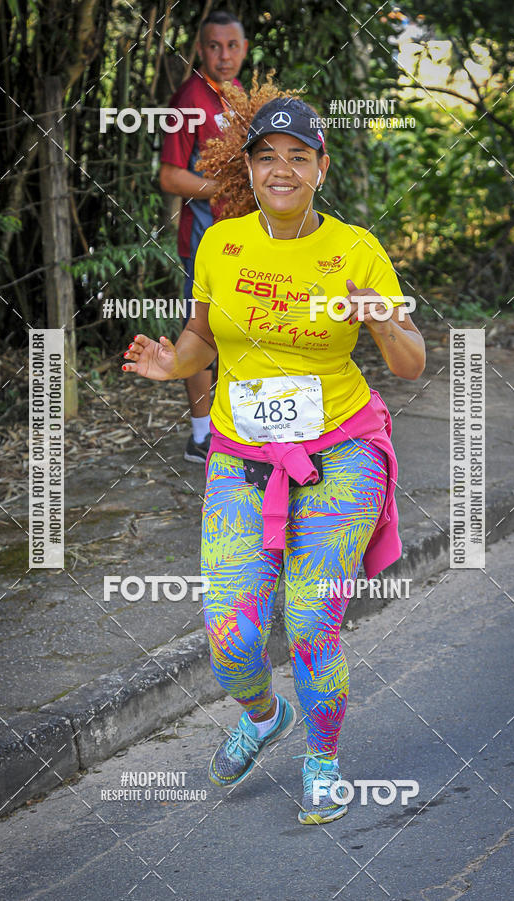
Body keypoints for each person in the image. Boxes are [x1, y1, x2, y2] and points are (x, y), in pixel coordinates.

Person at [124, 96, 426, 824]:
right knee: (232, 639)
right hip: (241, 456)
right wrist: (174, 364)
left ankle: (323, 758)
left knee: (311, 616)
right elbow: (202, 338)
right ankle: (264, 716)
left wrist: (382, 320)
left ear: (322, 167)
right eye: (268, 156)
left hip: (343, 452)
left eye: (299, 156)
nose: (282, 169)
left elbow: (412, 362)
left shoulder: (355, 250)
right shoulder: (221, 245)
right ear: (249, 169)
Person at [159, 9, 248, 463]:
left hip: (243, 236)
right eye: (214, 46)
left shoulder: (237, 96)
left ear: (245, 49)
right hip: (203, 237)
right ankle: (200, 438)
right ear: (200, 49)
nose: (224, 55)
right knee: (202, 331)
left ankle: (238, 427)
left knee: (243, 327)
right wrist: (228, 189)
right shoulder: (188, 100)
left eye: (232, 45)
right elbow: (171, 177)